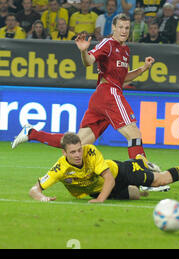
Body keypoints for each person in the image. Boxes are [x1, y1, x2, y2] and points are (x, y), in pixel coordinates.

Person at [13, 13, 158, 168]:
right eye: (121, 27)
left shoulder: (125, 50)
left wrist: (143, 68)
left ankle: (31, 133)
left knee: (77, 145)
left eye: (127, 28)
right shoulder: (107, 44)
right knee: (134, 133)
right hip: (108, 93)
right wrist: (83, 51)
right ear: (114, 28)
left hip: (103, 96)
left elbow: (122, 79)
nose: (124, 31)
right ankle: (144, 175)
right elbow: (89, 61)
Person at [29, 132, 179, 203]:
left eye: (79, 149)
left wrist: (100, 200)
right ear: (64, 153)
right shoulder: (60, 168)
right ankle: (140, 163)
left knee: (159, 180)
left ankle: (140, 162)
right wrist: (41, 198)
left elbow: (108, 178)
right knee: (136, 195)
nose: (78, 154)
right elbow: (34, 190)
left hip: (119, 173)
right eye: (73, 152)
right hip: (96, 189)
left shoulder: (91, 152)